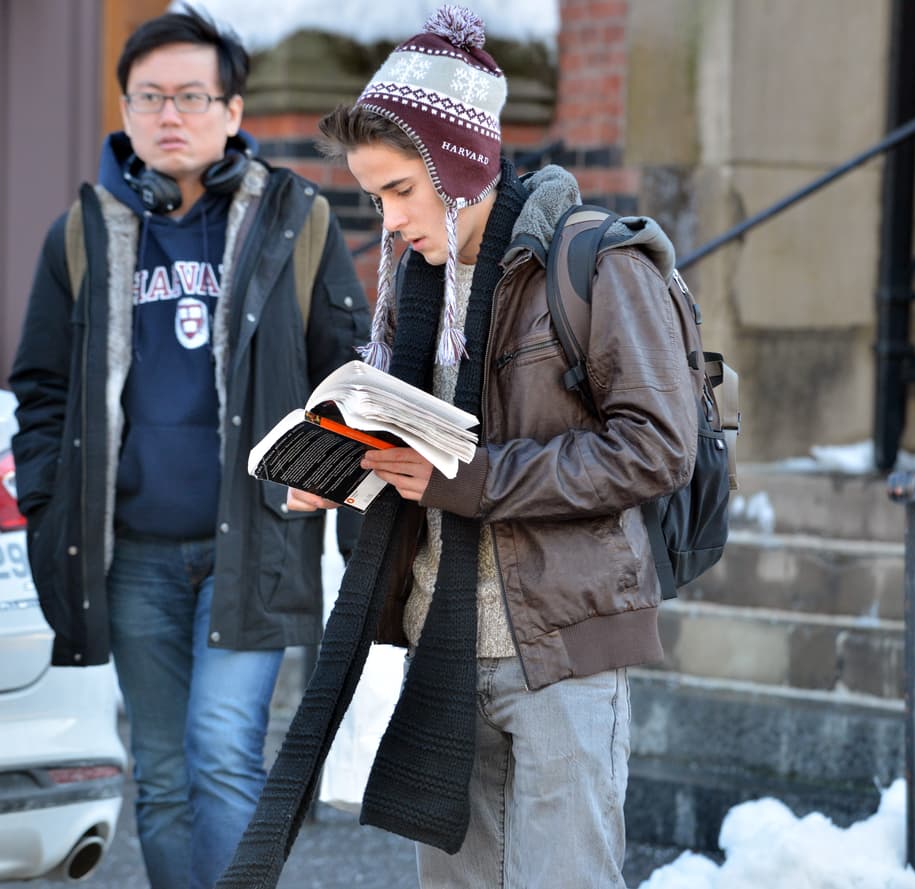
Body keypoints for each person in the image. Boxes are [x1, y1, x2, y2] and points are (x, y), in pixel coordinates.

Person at [219, 5, 698, 889]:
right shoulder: (412, 275)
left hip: (562, 638)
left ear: (462, 166)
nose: (390, 219)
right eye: (375, 196)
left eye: (401, 190)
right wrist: (339, 473)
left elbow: (656, 448)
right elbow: (412, 440)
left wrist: (476, 477)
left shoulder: (593, 261)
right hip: (441, 639)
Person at [6, 7, 370, 888]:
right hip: (133, 555)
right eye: (150, 97)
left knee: (220, 753)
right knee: (162, 776)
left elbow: (350, 378)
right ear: (126, 110)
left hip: (253, 547)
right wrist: (52, 498)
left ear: (234, 111)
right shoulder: (83, 235)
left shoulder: (298, 222)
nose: (171, 115)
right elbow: (42, 390)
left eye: (192, 96)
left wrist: (329, 487)